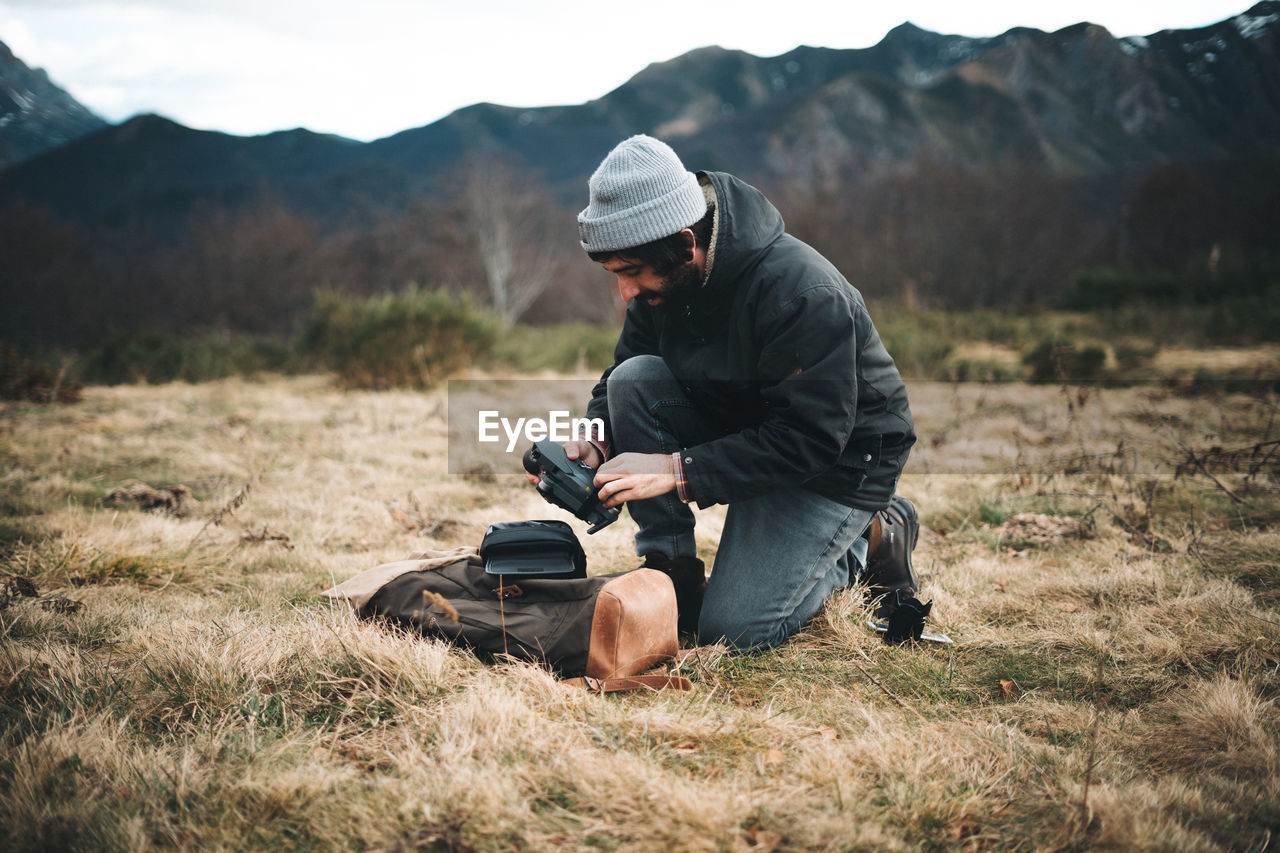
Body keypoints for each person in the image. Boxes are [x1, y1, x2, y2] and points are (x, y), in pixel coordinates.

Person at [534, 134, 919, 650]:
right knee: (633, 381)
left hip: (840, 459)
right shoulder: (665, 284)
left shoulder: (802, 293)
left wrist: (676, 469)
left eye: (630, 273)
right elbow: (628, 369)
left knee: (735, 632)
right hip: (749, 424)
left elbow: (811, 438)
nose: (625, 293)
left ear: (685, 245)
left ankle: (873, 534)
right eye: (613, 274)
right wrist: (594, 437)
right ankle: (672, 572)